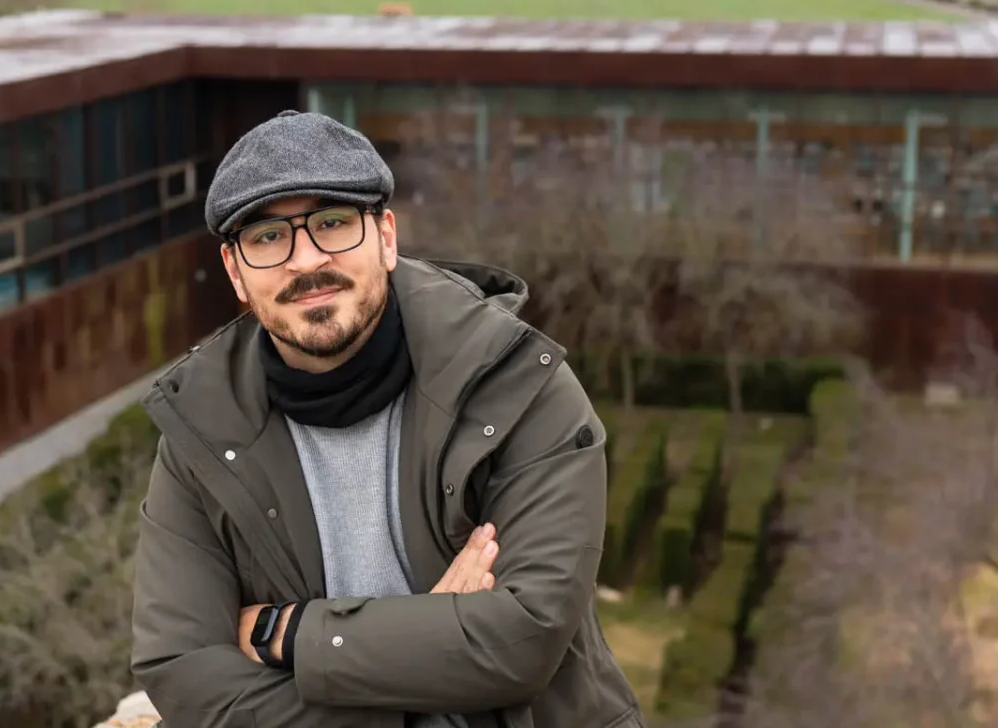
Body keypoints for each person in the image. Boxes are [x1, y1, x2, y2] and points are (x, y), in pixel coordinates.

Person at [130, 109, 641, 728]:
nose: (305, 261)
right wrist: (426, 655)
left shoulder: (518, 387)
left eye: (333, 223)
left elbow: (522, 639)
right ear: (236, 272)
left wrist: (290, 635)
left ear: (387, 238)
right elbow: (182, 669)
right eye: (267, 237)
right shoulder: (201, 432)